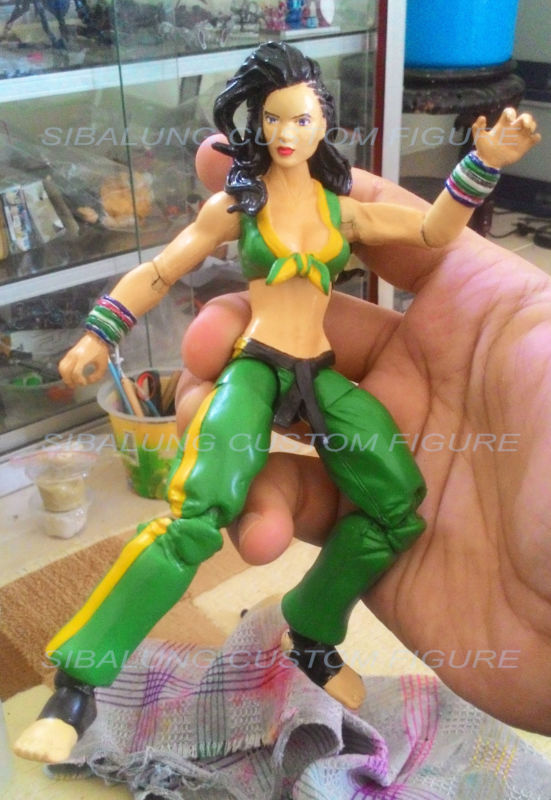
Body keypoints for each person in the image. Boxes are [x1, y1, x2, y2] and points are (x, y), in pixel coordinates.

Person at [14, 42, 541, 763]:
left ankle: (312, 633)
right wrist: (101, 332)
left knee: (396, 505)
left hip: (320, 374)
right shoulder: (237, 203)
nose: (285, 133)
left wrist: (481, 163)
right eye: (271, 119)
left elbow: (431, 232)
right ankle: (76, 686)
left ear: (324, 123)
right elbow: (161, 269)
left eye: (300, 118)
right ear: (256, 125)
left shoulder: (343, 211)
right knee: (200, 512)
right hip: (256, 367)